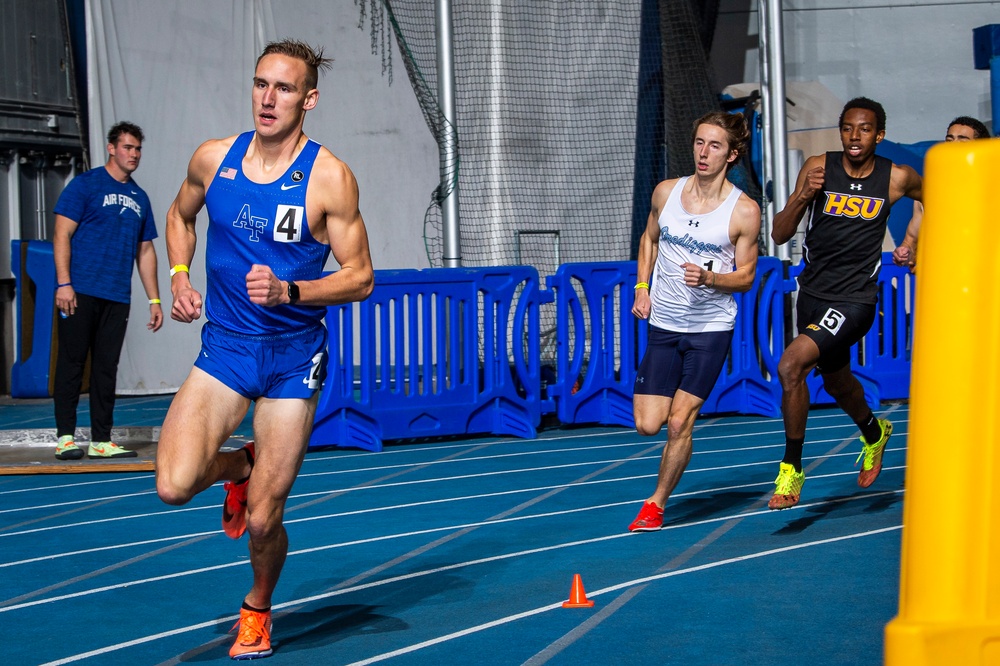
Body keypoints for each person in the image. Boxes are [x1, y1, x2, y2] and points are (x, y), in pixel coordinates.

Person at [154, 39, 374, 660]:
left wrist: (291, 289)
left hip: (290, 358)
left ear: (309, 99)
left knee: (263, 520)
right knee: (173, 483)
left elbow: (360, 276)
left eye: (282, 88)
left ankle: (256, 606)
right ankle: (239, 468)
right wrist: (177, 274)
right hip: (224, 347)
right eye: (260, 85)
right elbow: (178, 213)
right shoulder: (213, 158)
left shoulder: (329, 177)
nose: (267, 99)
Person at [768, 97, 923, 510]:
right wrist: (802, 195)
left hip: (855, 299)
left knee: (791, 365)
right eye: (849, 128)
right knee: (836, 382)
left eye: (866, 129)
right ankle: (874, 432)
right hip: (813, 296)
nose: (856, 137)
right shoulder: (820, 166)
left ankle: (792, 468)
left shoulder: (897, 178)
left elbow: (941, 197)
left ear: (880, 135)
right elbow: (780, 234)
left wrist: (915, 242)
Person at [627, 111, 762, 532]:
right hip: (664, 324)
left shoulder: (743, 211)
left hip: (710, 329)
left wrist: (710, 278)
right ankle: (671, 455)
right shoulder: (666, 192)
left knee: (681, 420)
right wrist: (641, 287)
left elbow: (746, 276)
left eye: (715, 145)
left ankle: (655, 504)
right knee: (648, 424)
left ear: (732, 155)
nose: (703, 153)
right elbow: (649, 238)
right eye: (700, 143)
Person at [52, 121, 163, 460]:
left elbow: (145, 252)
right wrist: (64, 283)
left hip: (117, 295)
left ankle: (101, 439)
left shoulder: (139, 198)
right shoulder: (84, 186)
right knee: (71, 363)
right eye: (128, 148)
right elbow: (61, 235)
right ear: (112, 148)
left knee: (106, 367)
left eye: (138, 149)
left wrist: (155, 299)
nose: (134, 154)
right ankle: (65, 438)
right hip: (80, 290)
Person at [892, 116, 990, 269]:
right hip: (939, 285)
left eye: (962, 140)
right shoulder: (928, 192)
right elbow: (911, 241)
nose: (953, 146)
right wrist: (905, 252)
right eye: (949, 140)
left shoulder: (991, 191)